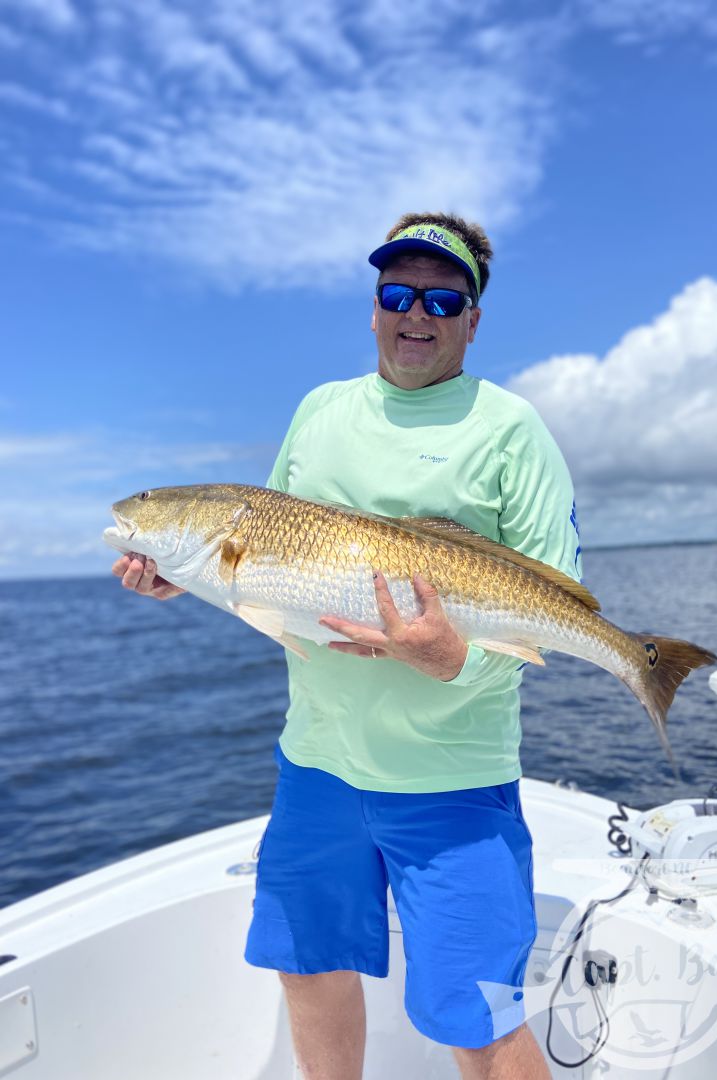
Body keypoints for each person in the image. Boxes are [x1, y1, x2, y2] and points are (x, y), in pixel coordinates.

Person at [113, 213, 581, 1080]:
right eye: (397, 293)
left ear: (473, 319)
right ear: (372, 307)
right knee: (309, 964)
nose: (417, 313)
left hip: (450, 780)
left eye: (443, 298)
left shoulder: (513, 430)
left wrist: (448, 656)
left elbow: (548, 603)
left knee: (475, 1015)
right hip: (317, 765)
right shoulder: (319, 410)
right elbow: (275, 560)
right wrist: (195, 573)